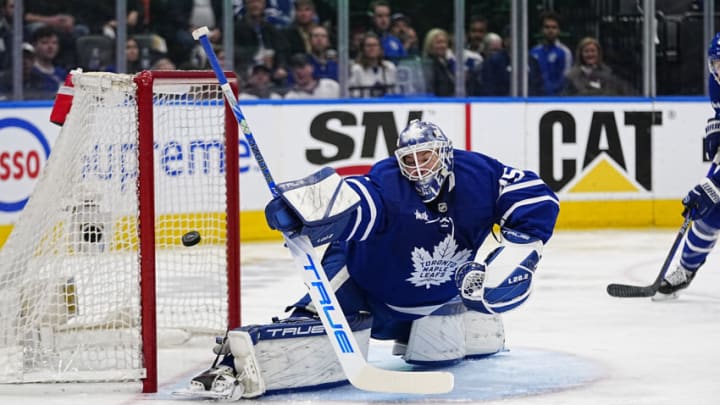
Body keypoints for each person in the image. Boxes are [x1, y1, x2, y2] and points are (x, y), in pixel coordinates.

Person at [181, 119, 560, 399]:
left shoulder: (479, 174)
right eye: (408, 160)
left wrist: (516, 252)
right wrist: (307, 211)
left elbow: (537, 198)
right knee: (317, 319)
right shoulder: (389, 183)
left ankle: (445, 319)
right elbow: (358, 199)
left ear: (445, 153)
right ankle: (234, 366)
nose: (417, 169)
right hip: (365, 283)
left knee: (455, 325)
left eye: (425, 157)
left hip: (438, 298)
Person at [657, 32, 720, 299]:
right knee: (710, 213)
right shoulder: (716, 81)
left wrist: (713, 184)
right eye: (717, 63)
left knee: (711, 196)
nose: (719, 70)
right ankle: (685, 269)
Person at [562, 37, 635, 96]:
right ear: (581, 54)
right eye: (586, 51)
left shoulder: (609, 73)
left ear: (599, 53)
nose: (590, 54)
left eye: (593, 51)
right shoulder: (572, 75)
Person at [529, 11, 572, 96]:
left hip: (556, 99)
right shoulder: (533, 52)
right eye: (547, 27)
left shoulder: (565, 52)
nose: (550, 30)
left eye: (554, 27)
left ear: (559, 30)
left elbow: (566, 78)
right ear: (541, 29)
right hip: (535, 99)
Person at [348, 32, 396, 97]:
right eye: (368, 45)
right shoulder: (356, 69)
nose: (372, 48)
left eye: (375, 45)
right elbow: (353, 94)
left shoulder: (389, 67)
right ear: (363, 49)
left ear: (380, 48)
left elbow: (395, 91)